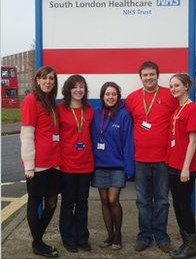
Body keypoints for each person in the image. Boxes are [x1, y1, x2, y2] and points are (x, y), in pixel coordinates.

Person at [125, 61, 178, 253]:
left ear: (157, 75)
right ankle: (145, 236)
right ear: (140, 77)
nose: (149, 78)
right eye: (145, 75)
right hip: (140, 159)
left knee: (162, 200)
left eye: (152, 74)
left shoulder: (169, 96)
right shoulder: (131, 99)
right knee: (143, 201)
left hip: (164, 159)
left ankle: (162, 237)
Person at [20, 65, 60, 258]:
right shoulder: (31, 100)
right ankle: (38, 243)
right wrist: (29, 165)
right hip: (37, 164)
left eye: (51, 79)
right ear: (37, 80)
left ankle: (38, 240)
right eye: (44, 78)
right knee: (34, 201)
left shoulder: (51, 102)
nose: (48, 81)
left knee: (52, 203)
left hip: (54, 162)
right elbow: (27, 134)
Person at [91, 82, 135, 250]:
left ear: (118, 96)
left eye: (114, 94)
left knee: (112, 199)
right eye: (107, 94)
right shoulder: (95, 114)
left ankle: (118, 235)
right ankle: (109, 235)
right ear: (102, 96)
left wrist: (128, 168)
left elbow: (128, 143)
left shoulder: (124, 115)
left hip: (117, 166)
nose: (110, 97)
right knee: (103, 201)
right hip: (99, 165)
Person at [58, 74, 94, 253]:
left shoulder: (89, 110)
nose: (78, 90)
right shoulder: (60, 110)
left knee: (83, 203)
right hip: (67, 165)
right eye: (75, 87)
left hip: (86, 165)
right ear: (68, 90)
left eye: (81, 87)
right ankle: (68, 237)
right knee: (68, 203)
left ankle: (82, 237)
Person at [167, 74, 196, 259]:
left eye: (177, 85)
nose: (173, 88)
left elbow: (193, 140)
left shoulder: (192, 109)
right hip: (173, 165)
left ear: (186, 86)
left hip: (185, 167)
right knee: (178, 205)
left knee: (184, 206)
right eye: (171, 86)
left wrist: (186, 168)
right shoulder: (178, 109)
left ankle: (191, 247)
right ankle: (185, 243)